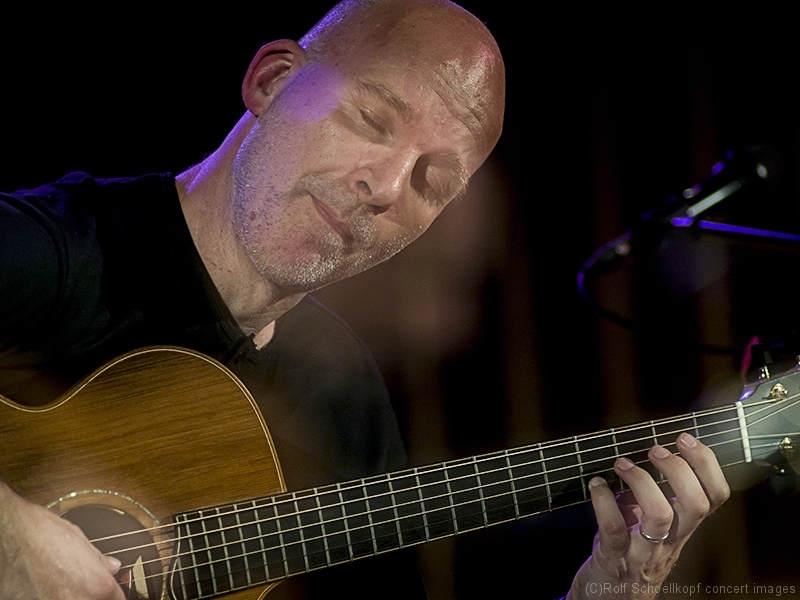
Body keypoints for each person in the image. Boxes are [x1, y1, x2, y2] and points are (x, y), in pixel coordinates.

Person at [0, 0, 729, 598]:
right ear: (272, 82)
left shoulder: (343, 409)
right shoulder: (53, 254)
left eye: (430, 183)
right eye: (371, 121)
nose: (384, 188)